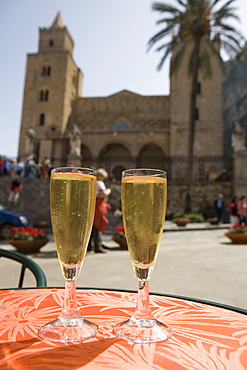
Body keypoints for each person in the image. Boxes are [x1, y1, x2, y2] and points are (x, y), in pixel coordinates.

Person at [88, 168, 111, 253]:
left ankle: (89, 246)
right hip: (98, 206)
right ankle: (98, 246)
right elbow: (103, 194)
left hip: (93, 204)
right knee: (98, 224)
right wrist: (109, 190)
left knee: (92, 226)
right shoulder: (99, 183)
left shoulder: (92, 182)